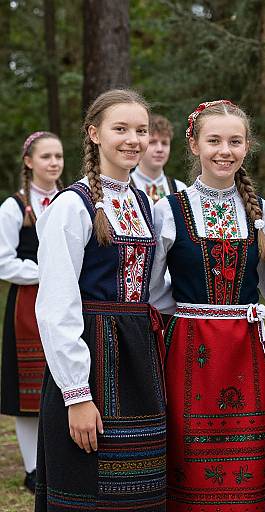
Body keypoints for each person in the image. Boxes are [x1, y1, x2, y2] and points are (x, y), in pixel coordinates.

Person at [34, 89, 166, 511]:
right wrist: (77, 394)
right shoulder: (72, 205)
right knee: (87, 486)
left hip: (136, 358)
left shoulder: (141, 201)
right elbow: (57, 304)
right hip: (91, 358)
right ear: (94, 134)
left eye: (141, 130)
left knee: (138, 490)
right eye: (120, 129)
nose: (133, 139)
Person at [149, 100, 265, 511]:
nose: (225, 150)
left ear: (247, 146)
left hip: (246, 349)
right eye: (214, 140)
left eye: (235, 141)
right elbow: (153, 290)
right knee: (189, 454)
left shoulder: (262, 213)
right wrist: (193, 314)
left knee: (247, 461)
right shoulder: (167, 210)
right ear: (194, 144)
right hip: (191, 348)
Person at [0, 131, 63, 493]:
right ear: (29, 162)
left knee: (63, 379)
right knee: (28, 389)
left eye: (58, 156)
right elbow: (3, 261)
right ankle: (32, 468)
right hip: (27, 303)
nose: (54, 163)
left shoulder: (70, 200)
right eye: (46, 157)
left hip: (66, 300)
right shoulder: (15, 205)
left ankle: (57, 459)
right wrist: (46, 271)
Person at [131, 113, 186, 202]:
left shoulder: (180, 189)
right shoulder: (125, 188)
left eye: (164, 143)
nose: (160, 149)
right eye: (152, 142)